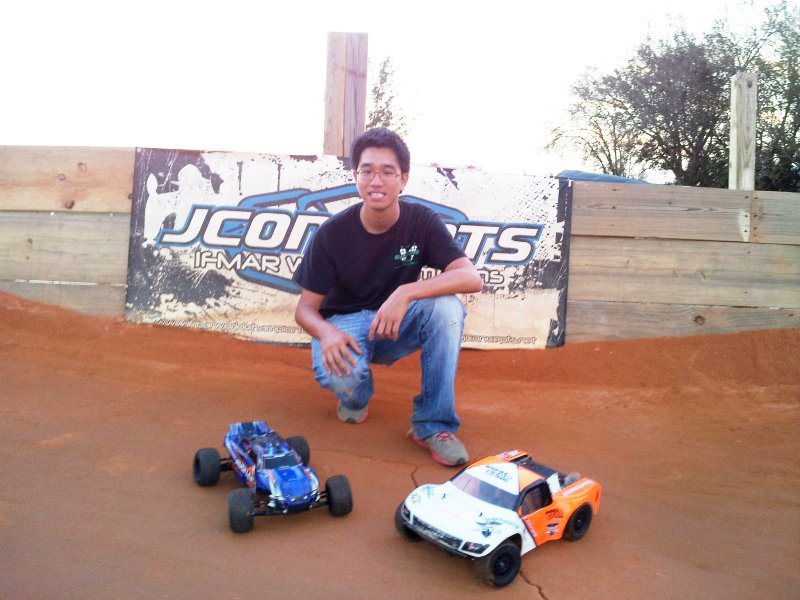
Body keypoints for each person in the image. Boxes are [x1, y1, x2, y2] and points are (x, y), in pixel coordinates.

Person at [292, 127, 483, 466]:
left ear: (403, 179)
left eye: (387, 171)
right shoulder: (331, 234)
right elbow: (305, 309)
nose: (376, 181)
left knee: (447, 309)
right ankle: (356, 396)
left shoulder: (421, 222)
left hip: (396, 324)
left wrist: (406, 292)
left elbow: (470, 277)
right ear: (356, 176)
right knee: (342, 378)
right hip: (345, 325)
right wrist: (326, 332)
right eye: (367, 171)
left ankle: (433, 424)